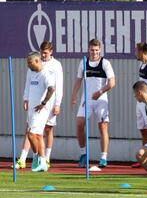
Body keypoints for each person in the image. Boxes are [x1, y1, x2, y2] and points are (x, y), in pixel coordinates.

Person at [12, 41, 63, 169]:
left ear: (51, 52)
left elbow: (58, 86)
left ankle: (45, 158)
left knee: (47, 129)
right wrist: (25, 98)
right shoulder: (34, 64)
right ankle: (24, 159)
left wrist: (57, 103)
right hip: (35, 103)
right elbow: (28, 82)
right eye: (42, 52)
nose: (43, 55)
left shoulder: (55, 65)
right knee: (31, 131)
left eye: (45, 52)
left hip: (48, 103)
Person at [71, 39, 116, 168]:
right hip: (87, 100)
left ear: (100, 50)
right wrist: (74, 96)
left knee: (102, 127)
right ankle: (83, 154)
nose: (94, 52)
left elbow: (112, 83)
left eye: (96, 50)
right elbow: (78, 80)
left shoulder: (105, 63)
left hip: (101, 100)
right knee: (79, 124)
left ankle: (103, 157)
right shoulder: (84, 62)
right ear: (88, 49)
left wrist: (100, 91)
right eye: (92, 50)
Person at [23, 52, 56, 172]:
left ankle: (37, 157)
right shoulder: (33, 74)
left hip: (40, 109)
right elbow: (28, 87)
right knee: (36, 135)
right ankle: (42, 161)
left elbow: (51, 89)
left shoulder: (45, 74)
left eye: (29, 62)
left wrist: (43, 103)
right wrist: (26, 99)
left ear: (37, 61)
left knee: (32, 134)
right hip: (32, 108)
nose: (28, 65)